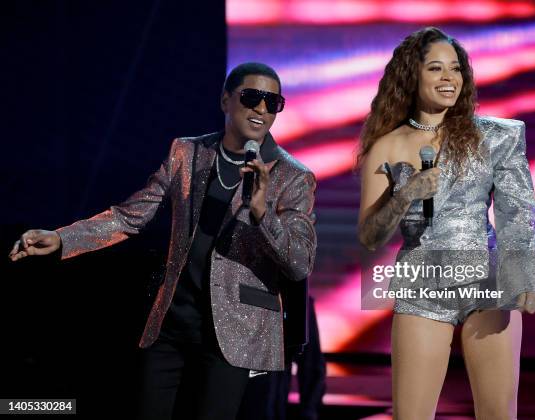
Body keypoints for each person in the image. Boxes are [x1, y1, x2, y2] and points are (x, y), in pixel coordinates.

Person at [8, 62, 317, 420]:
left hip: (237, 332)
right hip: (173, 324)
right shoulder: (187, 153)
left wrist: (262, 212)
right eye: (252, 97)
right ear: (225, 100)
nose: (261, 109)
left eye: (272, 102)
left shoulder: (293, 177)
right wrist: (62, 238)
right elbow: (130, 216)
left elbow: (299, 262)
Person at [357, 27, 535, 419]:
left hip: (486, 284)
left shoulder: (493, 136)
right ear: (413, 75)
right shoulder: (387, 145)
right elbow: (370, 235)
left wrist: (525, 274)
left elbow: (518, 209)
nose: (449, 79)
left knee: (497, 413)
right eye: (436, 68)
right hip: (422, 282)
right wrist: (405, 194)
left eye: (456, 69)